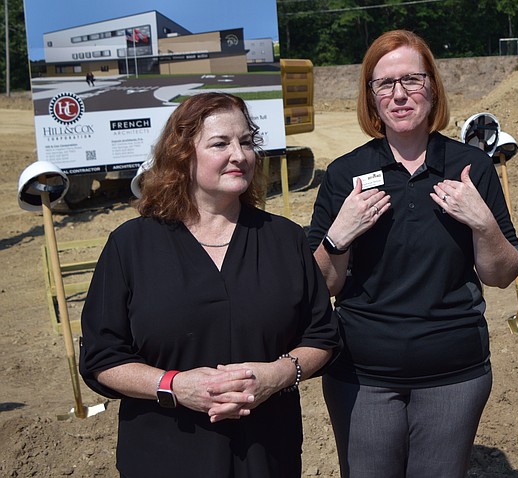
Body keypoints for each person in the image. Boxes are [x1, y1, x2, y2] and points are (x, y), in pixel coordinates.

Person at [79, 92, 339, 477]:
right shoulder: (131, 245)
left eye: (247, 141)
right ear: (183, 156)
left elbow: (322, 336)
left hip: (266, 454)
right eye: (220, 143)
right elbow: (102, 357)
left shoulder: (284, 239)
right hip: (164, 456)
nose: (240, 154)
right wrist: (174, 385)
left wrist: (276, 376)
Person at [307, 29, 518, 478]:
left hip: (454, 373)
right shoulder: (345, 174)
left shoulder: (469, 168)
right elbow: (322, 286)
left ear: (433, 87)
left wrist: (482, 223)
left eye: (412, 80)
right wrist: (338, 236)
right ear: (371, 97)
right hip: (362, 374)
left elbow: (502, 274)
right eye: (385, 83)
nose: (399, 94)